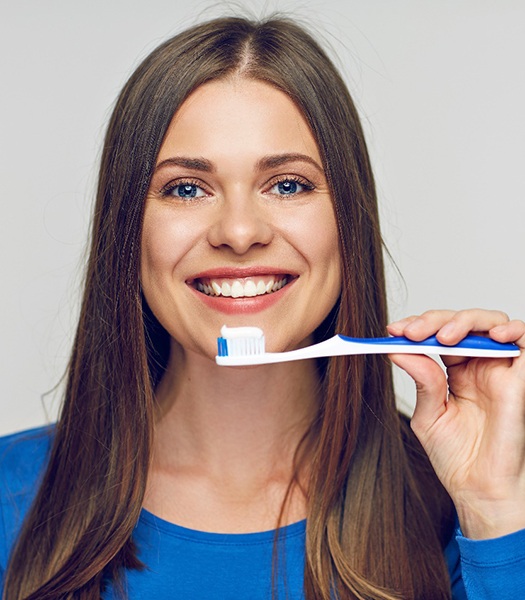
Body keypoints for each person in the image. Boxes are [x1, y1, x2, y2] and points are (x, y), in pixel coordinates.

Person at [1, 16, 524, 600]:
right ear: (128, 231)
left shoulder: (457, 509)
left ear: (347, 221)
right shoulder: (10, 498)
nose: (240, 231)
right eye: (186, 188)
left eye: (288, 184)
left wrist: (492, 511)